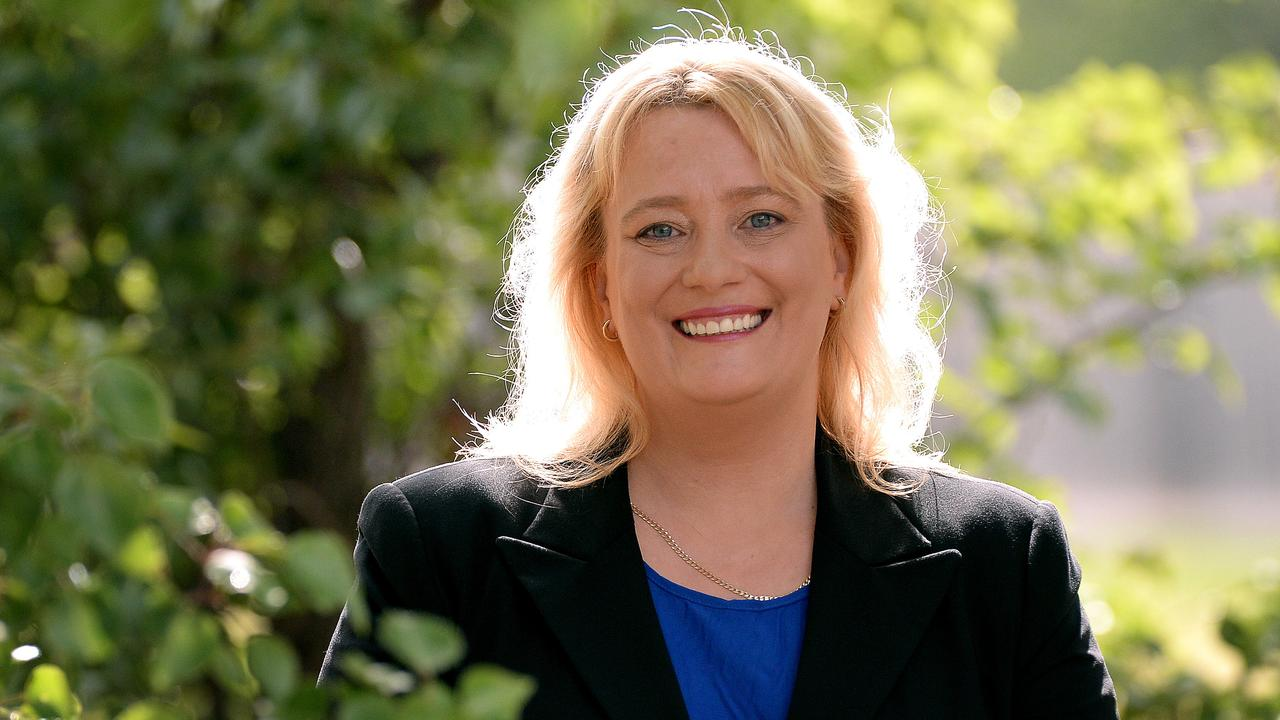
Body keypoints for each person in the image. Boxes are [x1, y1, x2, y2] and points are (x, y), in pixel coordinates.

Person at [319, 27, 1118, 719]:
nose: (710, 270)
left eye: (761, 219)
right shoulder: (440, 551)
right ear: (601, 284)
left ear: (841, 259)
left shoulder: (1004, 564)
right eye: (661, 229)